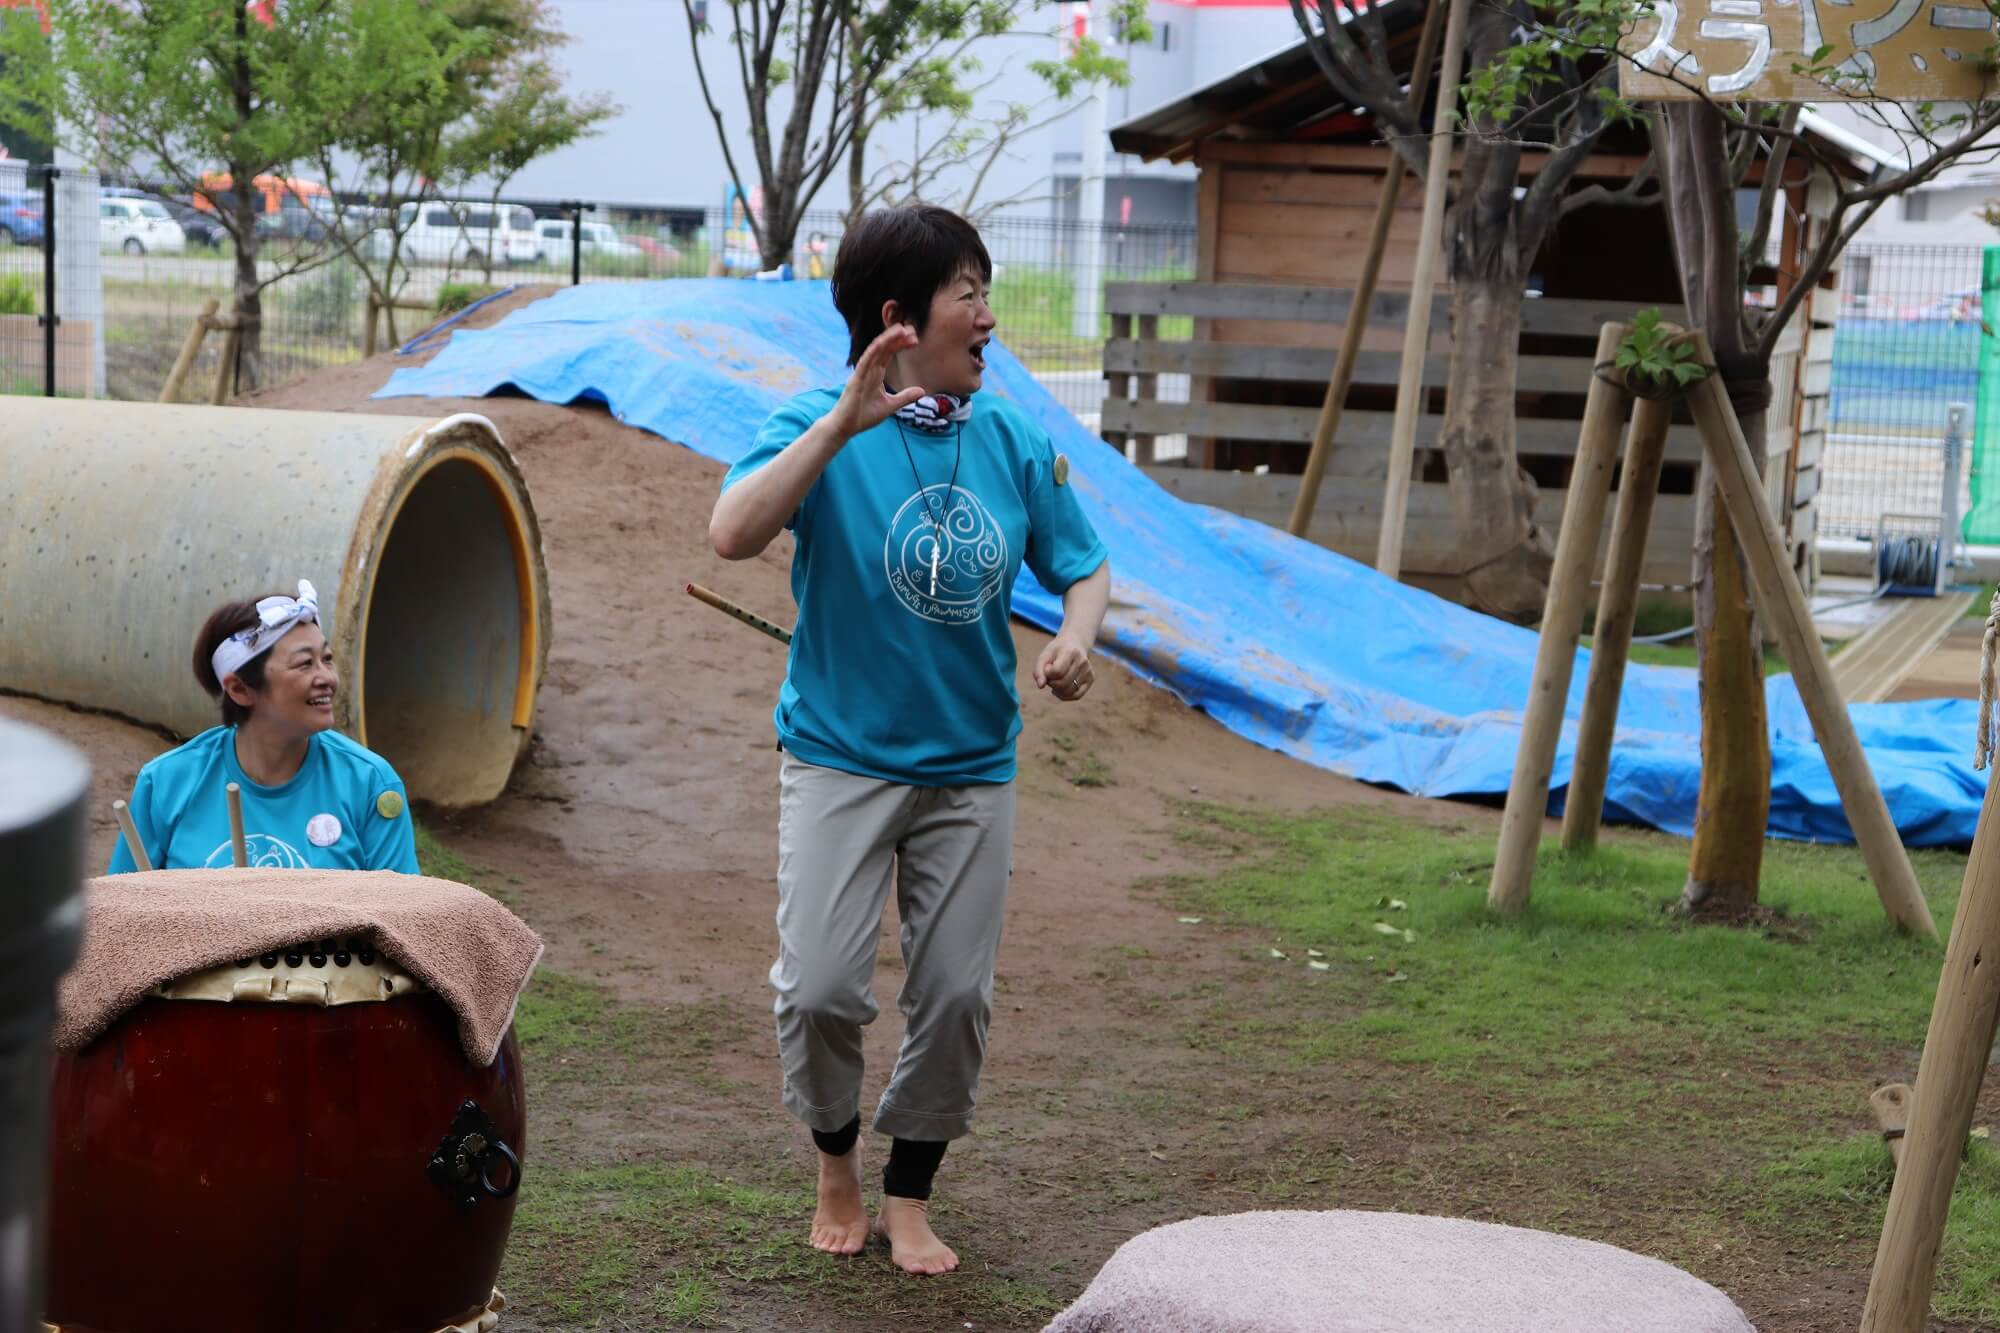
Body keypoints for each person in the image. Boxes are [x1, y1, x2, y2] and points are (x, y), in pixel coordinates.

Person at [709, 204, 1111, 1276]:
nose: (989, 317)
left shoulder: (1013, 438)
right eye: (968, 293)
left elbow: (1082, 562)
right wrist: (842, 425)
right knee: (819, 988)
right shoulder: (813, 423)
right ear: (896, 318)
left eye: (985, 291)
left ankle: (907, 1193)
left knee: (955, 996)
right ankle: (834, 1161)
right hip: (838, 755)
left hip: (971, 768)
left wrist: (1076, 635)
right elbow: (732, 531)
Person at [108, 581, 419, 875]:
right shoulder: (166, 782)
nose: (328, 678)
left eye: (327, 658)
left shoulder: (369, 783)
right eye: (304, 664)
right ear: (240, 689)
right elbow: (122, 916)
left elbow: (403, 920)